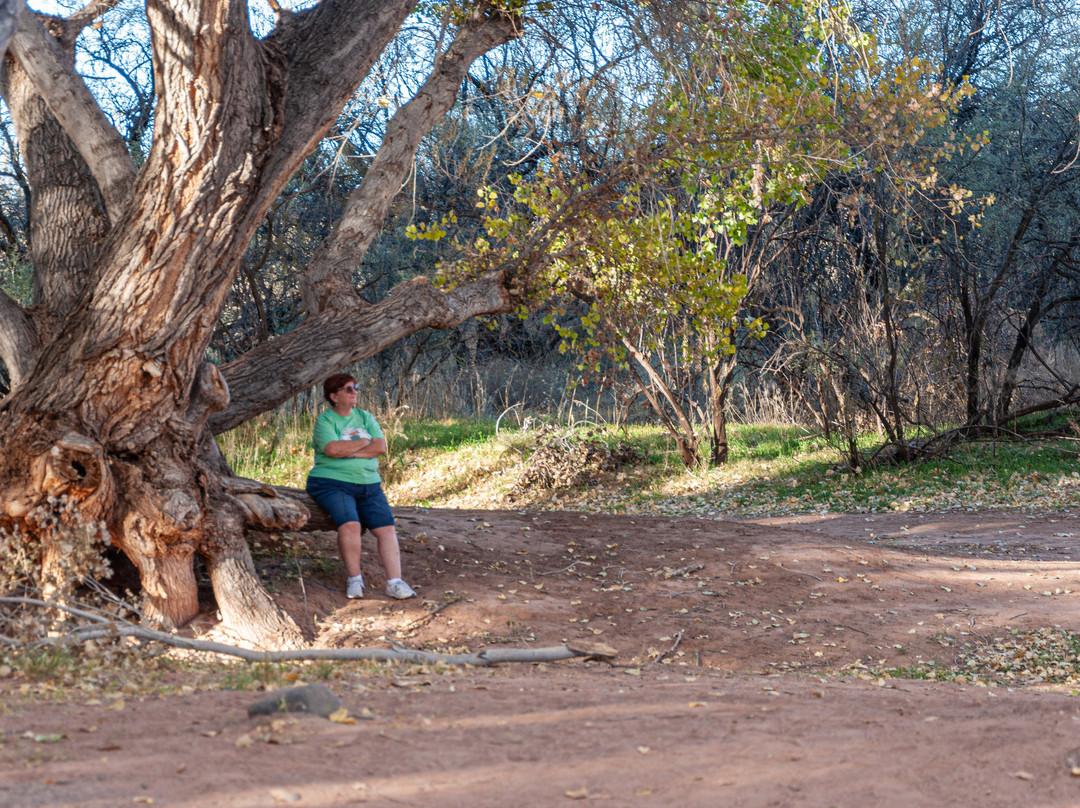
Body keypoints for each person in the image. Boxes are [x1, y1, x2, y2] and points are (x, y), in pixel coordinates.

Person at [305, 373, 416, 600]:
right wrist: (364, 444)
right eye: (348, 389)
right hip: (332, 482)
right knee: (351, 525)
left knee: (386, 529)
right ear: (334, 396)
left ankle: (395, 582)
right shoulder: (325, 421)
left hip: (369, 483)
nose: (354, 391)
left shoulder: (365, 417)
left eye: (355, 386)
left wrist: (351, 450)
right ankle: (355, 580)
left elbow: (380, 447)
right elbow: (331, 450)